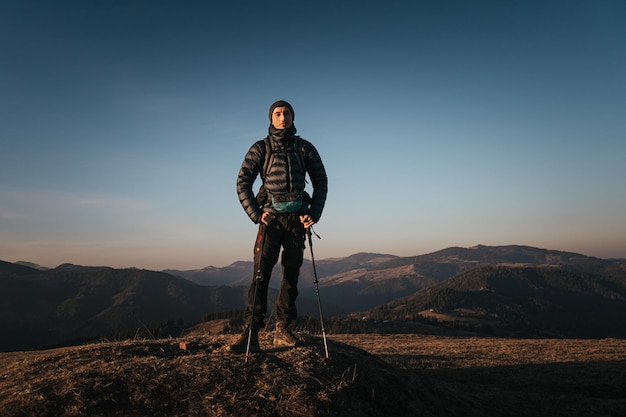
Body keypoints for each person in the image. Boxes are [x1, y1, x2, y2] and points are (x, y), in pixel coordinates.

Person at [230, 100, 328, 353]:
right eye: (278, 113)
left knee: (291, 276)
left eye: (286, 113)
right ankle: (251, 333)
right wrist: (255, 213)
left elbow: (321, 181)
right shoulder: (261, 148)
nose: (282, 117)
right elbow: (242, 182)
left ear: (293, 117)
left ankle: (283, 330)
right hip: (270, 220)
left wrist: (313, 213)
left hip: (297, 221)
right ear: (271, 118)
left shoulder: (304, 148)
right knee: (260, 275)